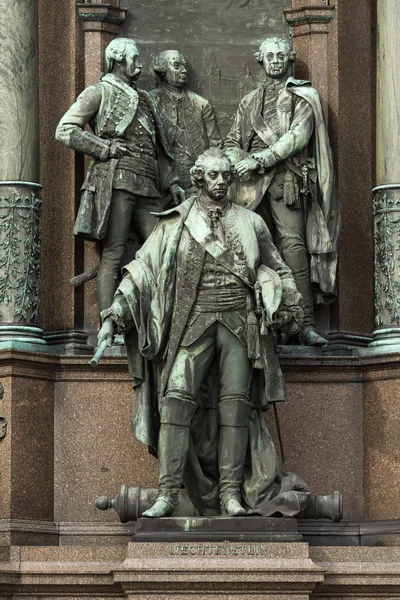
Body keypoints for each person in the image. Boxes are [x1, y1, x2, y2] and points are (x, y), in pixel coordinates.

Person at [97, 148, 309, 519]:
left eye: (226, 175)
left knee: (235, 406)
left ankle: (230, 495)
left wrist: (285, 301)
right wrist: (114, 316)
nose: (221, 182)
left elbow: (279, 268)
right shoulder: (175, 222)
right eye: (213, 176)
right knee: (175, 399)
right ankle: (167, 492)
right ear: (198, 178)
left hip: (239, 324)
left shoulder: (252, 222)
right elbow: (142, 271)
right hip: (192, 323)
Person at [225, 36, 340, 346]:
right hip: (248, 188)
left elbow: (296, 137)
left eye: (280, 54)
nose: (275, 59)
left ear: (290, 58)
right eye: (269, 55)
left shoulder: (304, 96)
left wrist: (259, 159)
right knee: (247, 249)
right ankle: (249, 321)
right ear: (260, 60)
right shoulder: (249, 101)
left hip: (285, 181)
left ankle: (304, 325)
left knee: (293, 249)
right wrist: (238, 159)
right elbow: (233, 140)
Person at [56, 38, 185, 312]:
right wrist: (104, 147)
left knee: (164, 250)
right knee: (113, 251)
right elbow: (65, 129)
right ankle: (108, 325)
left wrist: (172, 182)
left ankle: (157, 320)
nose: (140, 64)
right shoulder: (99, 91)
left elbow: (156, 147)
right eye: (134, 58)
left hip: (149, 186)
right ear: (116, 59)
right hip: (118, 182)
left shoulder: (145, 99)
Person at [149, 50, 222, 194]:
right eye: (177, 66)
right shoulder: (150, 101)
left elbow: (215, 144)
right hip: (159, 182)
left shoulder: (201, 104)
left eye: (184, 66)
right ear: (163, 70)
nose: (183, 70)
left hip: (197, 182)